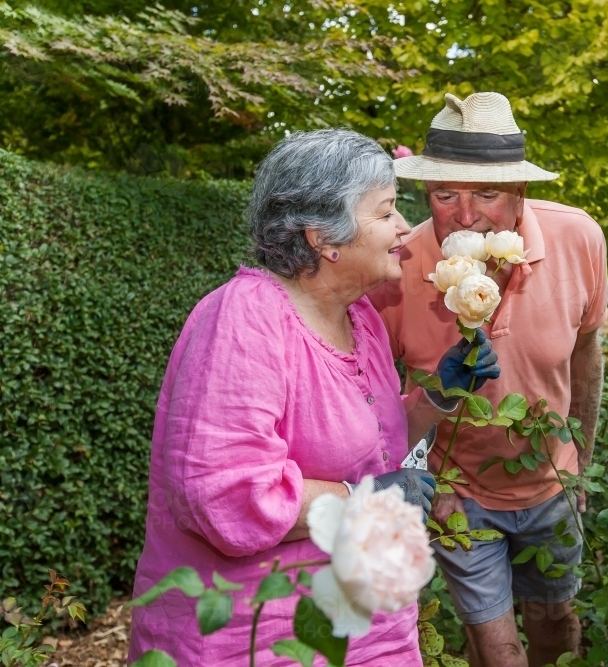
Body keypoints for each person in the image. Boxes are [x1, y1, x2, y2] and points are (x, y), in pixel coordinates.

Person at [128, 128, 500, 666]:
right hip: (260, 636)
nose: (404, 229)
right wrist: (363, 499)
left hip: (369, 627)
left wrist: (439, 395)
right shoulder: (244, 320)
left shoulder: (361, 318)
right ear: (322, 237)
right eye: (386, 211)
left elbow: (372, 444)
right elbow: (224, 494)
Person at [369, 92, 608, 667]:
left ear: (520, 191)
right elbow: (377, 407)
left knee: (556, 631)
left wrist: (580, 464)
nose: (465, 214)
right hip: (462, 495)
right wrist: (432, 484)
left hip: (552, 484)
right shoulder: (396, 266)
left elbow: (586, 356)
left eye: (486, 193)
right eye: (445, 194)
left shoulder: (578, 239)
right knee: (499, 654)